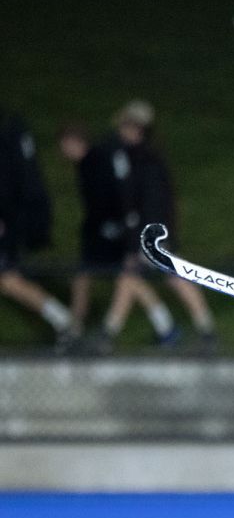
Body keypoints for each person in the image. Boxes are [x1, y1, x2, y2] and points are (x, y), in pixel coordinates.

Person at [57, 122, 179, 350]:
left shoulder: (97, 161)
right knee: (119, 278)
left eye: (64, 146)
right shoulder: (91, 162)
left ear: (74, 142)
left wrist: (117, 227)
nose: (62, 152)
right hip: (108, 231)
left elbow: (117, 196)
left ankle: (86, 331)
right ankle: (164, 327)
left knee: (125, 278)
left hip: (114, 232)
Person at [114, 100, 217, 353]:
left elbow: (151, 202)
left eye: (127, 125)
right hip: (151, 230)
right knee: (135, 277)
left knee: (172, 277)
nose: (122, 131)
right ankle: (189, 330)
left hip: (151, 233)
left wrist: (148, 237)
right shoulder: (139, 157)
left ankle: (203, 330)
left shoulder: (145, 160)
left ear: (138, 129)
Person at [0, 107, 73, 350]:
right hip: (14, 218)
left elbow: (12, 182)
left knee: (9, 280)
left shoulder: (9, 135)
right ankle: (63, 320)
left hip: (10, 221)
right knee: (9, 281)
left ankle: (63, 321)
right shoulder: (13, 132)